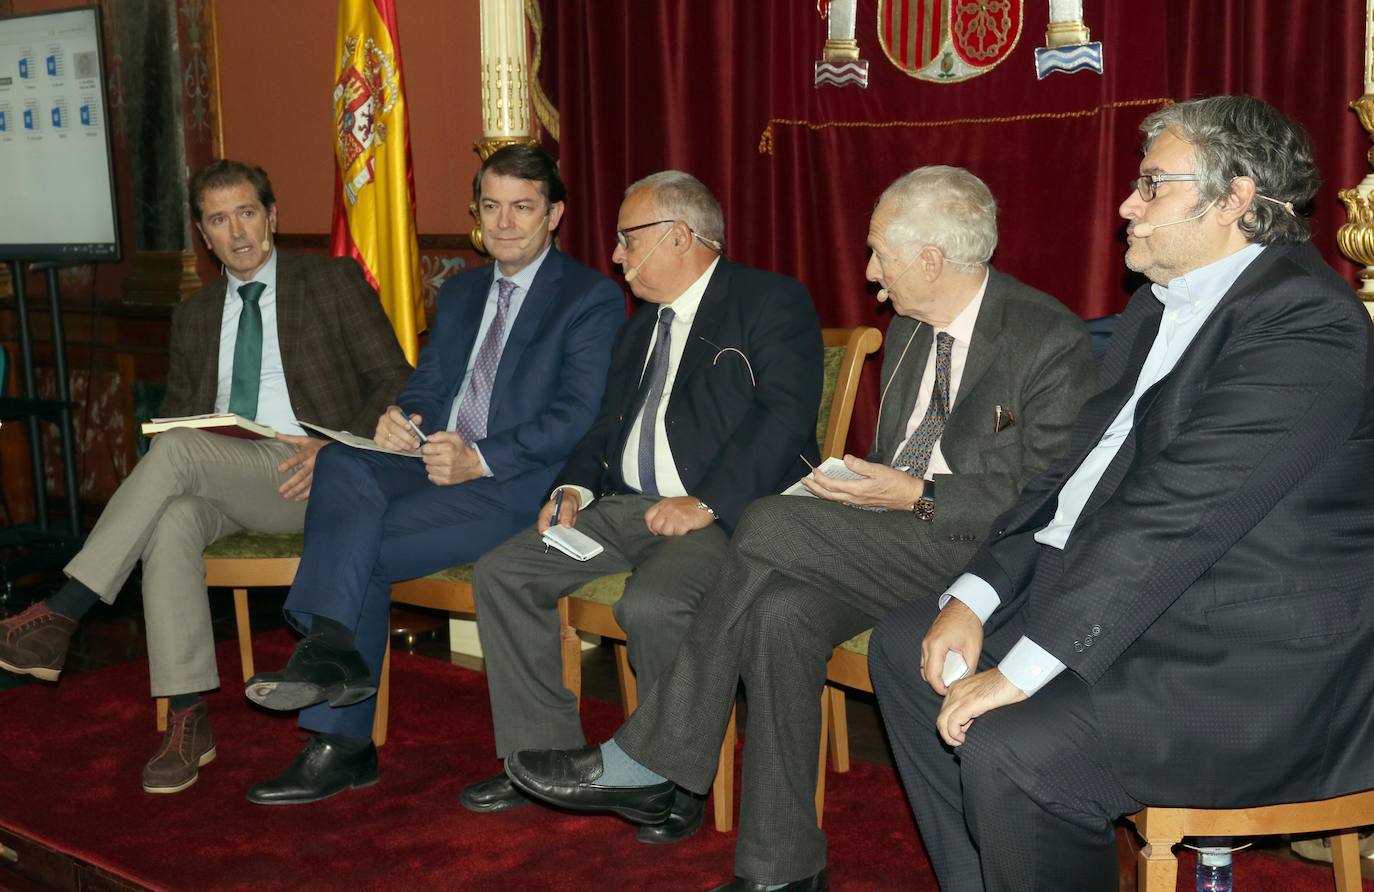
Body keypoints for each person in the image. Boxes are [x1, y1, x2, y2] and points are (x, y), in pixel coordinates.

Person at [504, 165, 1100, 892]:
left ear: (931, 259)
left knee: (767, 518)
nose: (869, 273)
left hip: (983, 557)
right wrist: (869, 485)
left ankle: (655, 752)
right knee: (780, 614)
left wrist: (914, 492)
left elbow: (1047, 499)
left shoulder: (1045, 337)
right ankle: (781, 866)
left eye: (881, 253)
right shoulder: (912, 330)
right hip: (890, 540)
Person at [864, 95, 1374, 892]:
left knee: (1016, 747)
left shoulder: (1305, 324)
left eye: (1151, 185)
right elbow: (1069, 479)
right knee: (906, 647)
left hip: (1247, 656)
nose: (1127, 205)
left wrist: (1027, 667)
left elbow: (1179, 512)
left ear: (1235, 197)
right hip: (1146, 600)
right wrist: (977, 592)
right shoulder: (1153, 309)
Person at [0, 159, 413, 795]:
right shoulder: (193, 316)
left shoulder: (330, 281)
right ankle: (189, 716)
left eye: (247, 213)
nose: (238, 231)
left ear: (272, 217)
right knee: (172, 515)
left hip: (318, 479)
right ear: (203, 234)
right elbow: (178, 421)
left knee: (178, 455)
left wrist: (330, 447)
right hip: (230, 475)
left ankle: (63, 609)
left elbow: (394, 378)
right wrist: (190, 437)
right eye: (219, 220)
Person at [240, 145, 626, 805]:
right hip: (428, 461)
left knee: (355, 548)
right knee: (341, 461)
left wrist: (479, 457)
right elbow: (431, 385)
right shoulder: (464, 289)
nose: (503, 222)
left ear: (555, 213)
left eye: (522, 207)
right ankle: (332, 653)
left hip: (516, 485)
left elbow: (576, 416)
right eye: (491, 205)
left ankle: (340, 735)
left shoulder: (589, 298)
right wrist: (402, 418)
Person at [462, 170, 824, 842]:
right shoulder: (640, 329)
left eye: (629, 239)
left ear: (680, 236)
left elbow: (786, 416)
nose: (617, 255)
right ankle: (541, 756)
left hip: (714, 517)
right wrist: (572, 487)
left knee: (651, 605)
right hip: (622, 508)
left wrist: (709, 501)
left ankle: (670, 774)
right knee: (504, 571)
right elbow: (600, 429)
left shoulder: (769, 301)